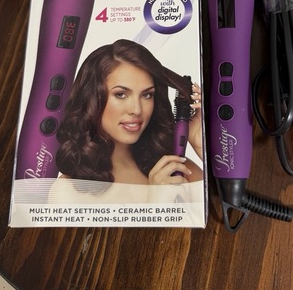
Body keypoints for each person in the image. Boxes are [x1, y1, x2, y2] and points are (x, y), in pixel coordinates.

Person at [54, 39, 203, 194]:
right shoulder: (69, 189)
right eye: (121, 94)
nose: (137, 110)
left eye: (147, 95)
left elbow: (218, 207)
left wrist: (200, 144)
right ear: (92, 99)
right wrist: (156, 202)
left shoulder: (174, 168)